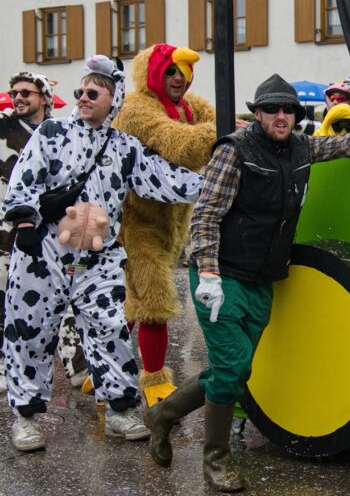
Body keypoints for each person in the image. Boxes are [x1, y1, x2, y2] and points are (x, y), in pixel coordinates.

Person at [143, 75, 350, 492]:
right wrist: (208, 273)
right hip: (222, 277)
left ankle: (161, 416)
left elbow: (349, 144)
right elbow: (206, 215)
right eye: (271, 109)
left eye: (288, 110)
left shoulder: (302, 147)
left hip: (262, 280)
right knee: (232, 369)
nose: (281, 116)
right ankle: (216, 460)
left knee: (233, 370)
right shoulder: (234, 151)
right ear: (258, 114)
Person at [2, 55, 204, 452]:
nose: (83, 97)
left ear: (114, 99)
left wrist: (218, 181)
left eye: (93, 93)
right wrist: (25, 223)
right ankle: (26, 417)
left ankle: (119, 411)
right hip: (44, 252)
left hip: (99, 258)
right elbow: (24, 179)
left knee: (111, 329)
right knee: (30, 332)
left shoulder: (125, 147)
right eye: (80, 91)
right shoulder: (52, 133)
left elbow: (165, 179)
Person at [112, 44, 216, 406]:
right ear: (152, 73)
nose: (178, 79)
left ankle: (101, 366)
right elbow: (182, 146)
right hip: (136, 223)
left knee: (131, 303)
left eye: (183, 73)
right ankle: (154, 379)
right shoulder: (134, 108)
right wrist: (223, 132)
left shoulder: (188, 106)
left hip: (171, 224)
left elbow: (216, 117)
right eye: (170, 71)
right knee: (154, 302)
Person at [0, 73, 89, 396]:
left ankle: (78, 366)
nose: (19, 98)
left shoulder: (59, 133)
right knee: (7, 300)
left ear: (44, 98)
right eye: (15, 92)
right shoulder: (3, 130)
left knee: (67, 295)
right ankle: (6, 367)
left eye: (27, 92)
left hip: (54, 229)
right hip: (7, 233)